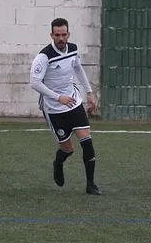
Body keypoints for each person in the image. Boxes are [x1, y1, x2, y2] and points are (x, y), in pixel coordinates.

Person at [30, 18, 100, 195]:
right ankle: (58, 163)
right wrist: (57, 97)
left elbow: (78, 69)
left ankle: (91, 184)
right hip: (54, 108)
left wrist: (89, 92)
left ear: (68, 34)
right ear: (51, 35)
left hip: (74, 102)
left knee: (87, 142)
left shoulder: (73, 49)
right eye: (57, 35)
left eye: (64, 34)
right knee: (68, 149)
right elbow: (35, 83)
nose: (61, 38)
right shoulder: (44, 57)